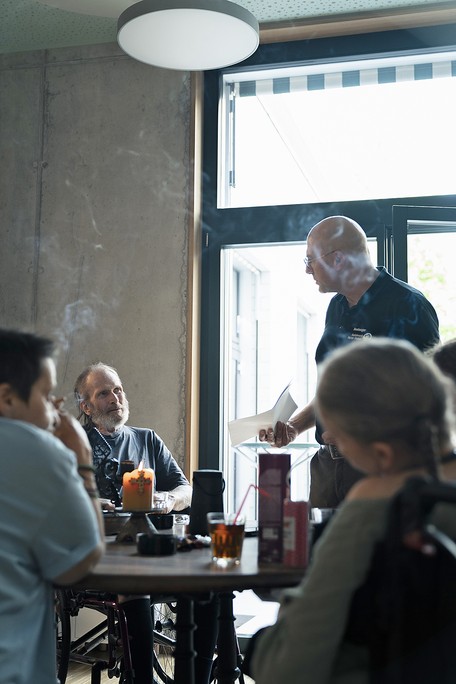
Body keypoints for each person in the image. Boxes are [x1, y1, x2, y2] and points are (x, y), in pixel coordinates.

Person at [249, 337, 456, 684]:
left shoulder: (372, 506)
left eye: (338, 438)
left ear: (382, 454)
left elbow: (287, 669)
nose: (329, 441)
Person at [260, 215, 440, 507]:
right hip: (328, 467)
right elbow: (336, 393)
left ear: (338, 259)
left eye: (310, 261)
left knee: (374, 551)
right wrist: (295, 426)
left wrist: (356, 430)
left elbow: (428, 397)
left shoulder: (408, 305)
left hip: (380, 470)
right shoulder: (337, 307)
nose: (308, 271)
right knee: (318, 550)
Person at [74, 362, 217, 684]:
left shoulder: (146, 438)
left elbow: (186, 489)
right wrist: (87, 502)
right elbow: (53, 497)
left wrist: (168, 500)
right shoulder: (73, 441)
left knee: (208, 584)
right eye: (103, 393)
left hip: (151, 545)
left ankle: (196, 679)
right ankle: (141, 680)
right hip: (100, 550)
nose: (115, 398)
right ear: (85, 405)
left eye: (118, 389)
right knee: (134, 584)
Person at [0, 329, 104, 684]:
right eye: (45, 396)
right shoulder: (40, 451)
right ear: (7, 398)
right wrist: (82, 460)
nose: (54, 409)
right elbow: (82, 559)